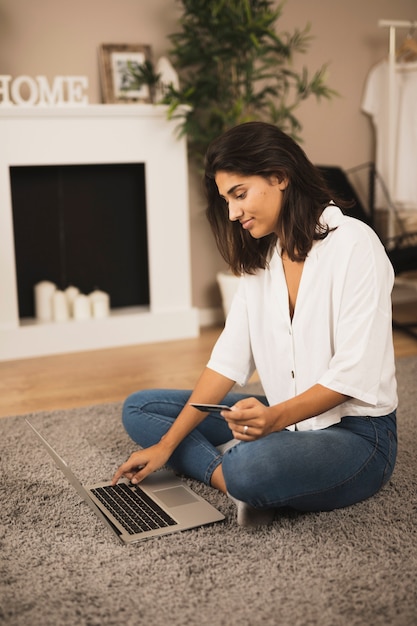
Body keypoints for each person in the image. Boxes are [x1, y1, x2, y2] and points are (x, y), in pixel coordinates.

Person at [112, 121, 398, 527]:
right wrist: (165, 446)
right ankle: (228, 473)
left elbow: (353, 376)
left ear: (280, 176)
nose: (232, 213)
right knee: (140, 408)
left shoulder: (355, 245)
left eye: (239, 194)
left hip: (357, 436)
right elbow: (226, 362)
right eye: (226, 199)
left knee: (250, 466)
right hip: (285, 417)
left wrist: (273, 420)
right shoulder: (262, 260)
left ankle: (241, 474)